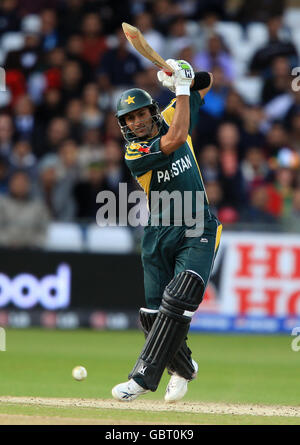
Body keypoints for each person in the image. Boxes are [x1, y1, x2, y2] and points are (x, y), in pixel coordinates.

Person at [112, 59, 222, 403]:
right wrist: (182, 90)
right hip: (158, 232)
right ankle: (185, 368)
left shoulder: (177, 110)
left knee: (181, 294)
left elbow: (208, 81)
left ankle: (143, 377)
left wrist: (183, 75)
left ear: (152, 111)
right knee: (152, 316)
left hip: (197, 225)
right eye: (129, 119)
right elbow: (175, 139)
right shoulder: (135, 151)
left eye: (141, 114)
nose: (137, 122)